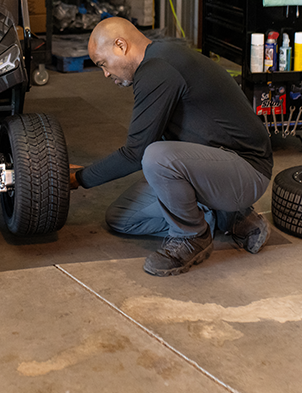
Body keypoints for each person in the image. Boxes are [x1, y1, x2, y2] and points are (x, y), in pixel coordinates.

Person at [70, 17, 273, 277]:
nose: (106, 73)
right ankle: (228, 217)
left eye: (103, 64)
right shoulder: (159, 60)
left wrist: (79, 178)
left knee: (156, 156)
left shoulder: (158, 69)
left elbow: (135, 153)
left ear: (121, 46)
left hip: (247, 171)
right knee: (122, 218)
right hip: (213, 165)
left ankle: (192, 236)